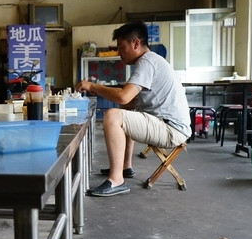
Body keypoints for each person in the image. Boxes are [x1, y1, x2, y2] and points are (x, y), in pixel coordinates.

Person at [75, 21, 191, 197]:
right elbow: (128, 101)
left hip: (171, 128)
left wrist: (92, 86)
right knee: (124, 113)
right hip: (169, 124)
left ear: (136, 43)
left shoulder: (147, 62)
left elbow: (123, 96)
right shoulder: (150, 61)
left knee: (113, 116)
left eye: (121, 47)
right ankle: (125, 167)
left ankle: (116, 180)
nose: (119, 53)